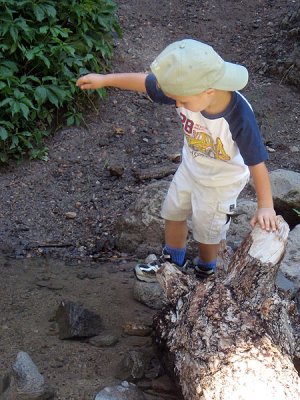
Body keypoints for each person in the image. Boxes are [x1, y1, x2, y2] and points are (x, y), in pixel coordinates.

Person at [76, 39, 277, 283]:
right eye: (175, 99)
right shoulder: (187, 88)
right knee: (172, 212)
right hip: (191, 167)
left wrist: (265, 205)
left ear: (209, 91)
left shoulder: (239, 116)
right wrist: (104, 80)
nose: (178, 105)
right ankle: (172, 261)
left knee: (208, 230)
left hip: (221, 181)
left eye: (182, 101)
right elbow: (144, 82)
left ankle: (206, 269)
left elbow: (257, 162)